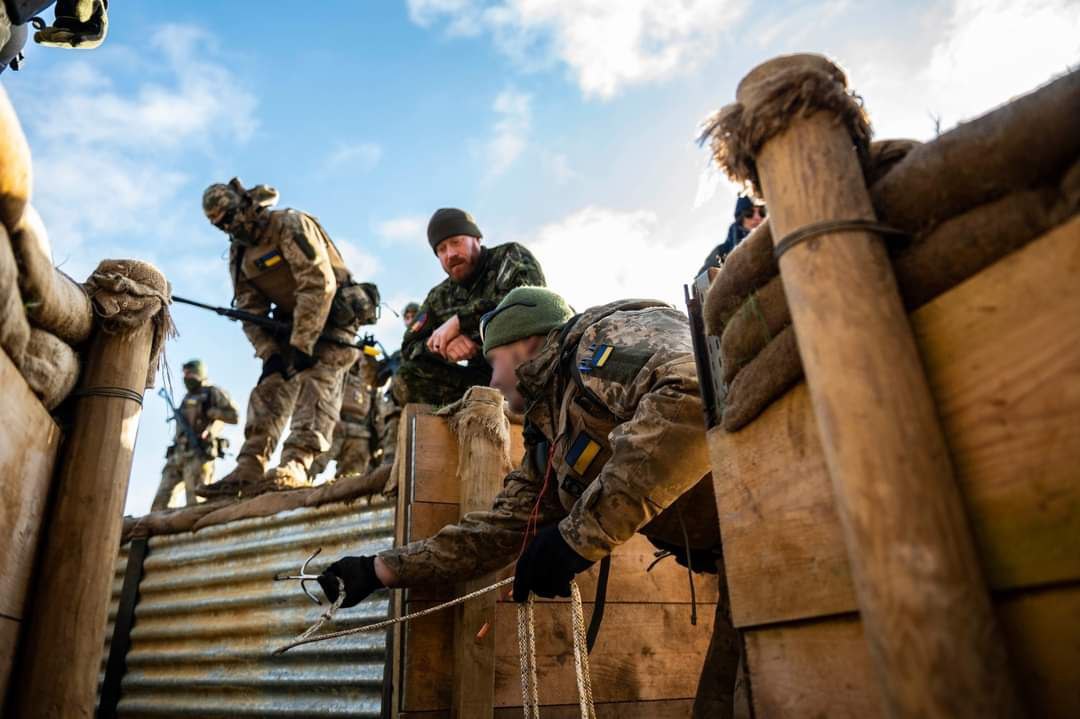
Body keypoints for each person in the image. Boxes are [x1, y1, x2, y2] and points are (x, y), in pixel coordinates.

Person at [317, 287, 739, 717]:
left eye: (493, 362)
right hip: (740, 561)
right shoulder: (551, 436)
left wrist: (577, 539)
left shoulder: (598, 342)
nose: (492, 381)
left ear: (525, 344)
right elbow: (496, 532)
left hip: (785, 513)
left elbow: (689, 391)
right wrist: (379, 569)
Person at [197, 178, 379, 499]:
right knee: (269, 386)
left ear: (245, 204)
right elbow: (248, 308)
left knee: (316, 382)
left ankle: (297, 462)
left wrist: (302, 343)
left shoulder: (289, 224)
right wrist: (270, 354)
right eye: (220, 224)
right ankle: (249, 466)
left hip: (332, 318)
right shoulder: (240, 253)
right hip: (292, 326)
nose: (229, 226)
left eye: (230, 216)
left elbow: (317, 282)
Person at [393, 208, 545, 408]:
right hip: (482, 380)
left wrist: (460, 322)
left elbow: (527, 303)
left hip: (529, 369)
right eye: (441, 249)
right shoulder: (439, 296)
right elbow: (409, 347)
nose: (451, 254)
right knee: (407, 377)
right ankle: (459, 423)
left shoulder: (509, 256)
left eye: (456, 242)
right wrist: (444, 348)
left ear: (477, 238)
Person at [151, 359, 238, 510]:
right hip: (178, 454)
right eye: (184, 374)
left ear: (199, 373)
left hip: (198, 453)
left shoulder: (212, 392)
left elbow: (234, 416)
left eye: (190, 374)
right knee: (160, 502)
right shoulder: (187, 397)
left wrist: (211, 415)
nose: (186, 378)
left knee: (196, 502)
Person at [308, 354, 379, 481]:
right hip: (334, 426)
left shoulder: (370, 383)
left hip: (360, 433)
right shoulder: (339, 372)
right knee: (313, 461)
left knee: (353, 474)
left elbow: (376, 412)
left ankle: (344, 497)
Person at [698, 195, 766, 275]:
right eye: (749, 213)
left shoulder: (775, 239)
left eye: (762, 212)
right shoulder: (721, 252)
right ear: (740, 218)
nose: (757, 217)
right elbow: (696, 287)